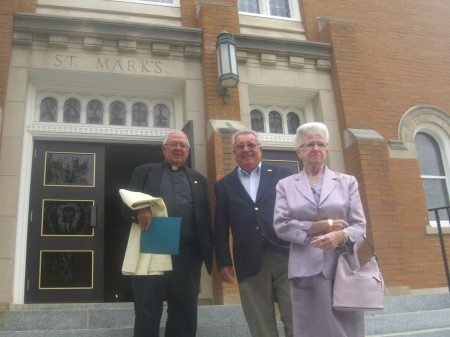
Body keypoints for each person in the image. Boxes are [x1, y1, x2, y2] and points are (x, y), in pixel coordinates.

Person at [273, 122, 367, 337]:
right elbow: (281, 225)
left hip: (342, 264)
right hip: (305, 267)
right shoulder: (285, 185)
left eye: (320, 144)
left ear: (326, 149)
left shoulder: (347, 182)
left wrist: (340, 235)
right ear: (299, 152)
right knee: (311, 327)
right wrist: (321, 226)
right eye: (309, 145)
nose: (315, 148)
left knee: (346, 326)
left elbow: (360, 226)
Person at [121, 130, 213, 337]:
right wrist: (140, 210)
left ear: (188, 151)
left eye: (183, 145)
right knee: (148, 308)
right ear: (164, 149)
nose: (178, 148)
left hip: (188, 255)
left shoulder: (199, 179)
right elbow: (125, 206)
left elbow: (206, 218)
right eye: (173, 144)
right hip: (153, 249)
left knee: (185, 310)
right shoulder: (144, 172)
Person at [214, 129, 294, 337]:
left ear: (260, 149)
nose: (246, 150)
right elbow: (220, 225)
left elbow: (297, 210)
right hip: (248, 258)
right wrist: (223, 261)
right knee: (259, 322)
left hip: (285, 254)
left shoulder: (282, 174)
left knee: (295, 315)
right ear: (234, 152)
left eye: (250, 145)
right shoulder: (223, 185)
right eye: (240, 146)